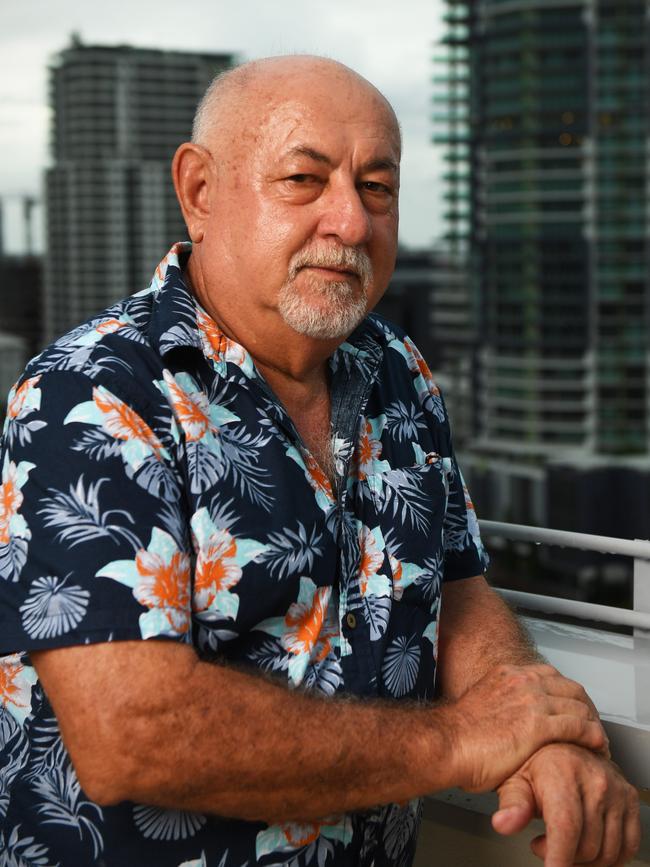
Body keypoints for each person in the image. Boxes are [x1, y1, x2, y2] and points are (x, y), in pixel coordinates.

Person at [0, 55, 639, 867]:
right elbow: (133, 733)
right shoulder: (94, 392)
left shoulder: (397, 371)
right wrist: (460, 739)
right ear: (200, 192)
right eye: (304, 179)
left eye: (378, 188)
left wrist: (537, 724)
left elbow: (457, 590)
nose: (351, 222)